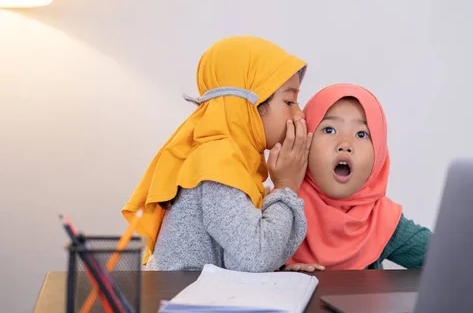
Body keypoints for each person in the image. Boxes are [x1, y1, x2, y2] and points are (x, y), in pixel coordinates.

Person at [122, 35, 312, 272]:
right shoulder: (216, 164)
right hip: (177, 302)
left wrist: (276, 266)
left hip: (194, 298)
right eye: (289, 101)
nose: (300, 114)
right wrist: (286, 186)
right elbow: (256, 258)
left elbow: (243, 260)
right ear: (249, 105)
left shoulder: (236, 163)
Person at [285, 83, 431, 271]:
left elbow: (451, 259)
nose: (345, 144)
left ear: (378, 154)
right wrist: (279, 272)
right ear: (305, 139)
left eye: (361, 134)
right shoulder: (281, 206)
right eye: (329, 130)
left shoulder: (381, 220)